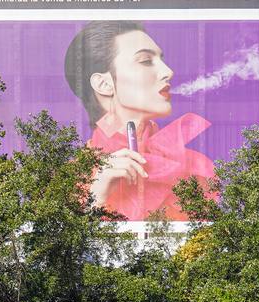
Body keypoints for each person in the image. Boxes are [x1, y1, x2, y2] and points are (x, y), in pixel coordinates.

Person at [64, 21, 215, 221]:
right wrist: (96, 196)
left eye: (161, 59)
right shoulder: (71, 180)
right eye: (145, 61)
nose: (168, 71)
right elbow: (63, 249)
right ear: (104, 83)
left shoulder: (193, 167)